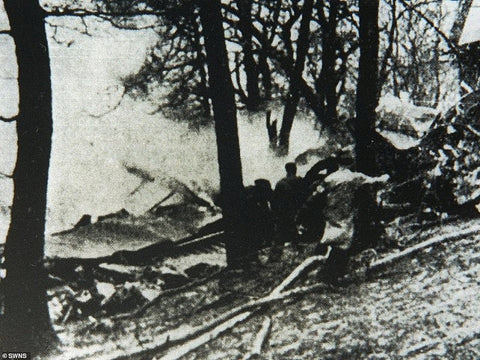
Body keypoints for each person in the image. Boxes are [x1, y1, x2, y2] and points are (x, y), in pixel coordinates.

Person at [271, 163, 304, 250]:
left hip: (284, 211)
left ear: (286, 170)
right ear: (295, 169)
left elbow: (274, 201)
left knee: (284, 232)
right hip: (298, 209)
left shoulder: (280, 183)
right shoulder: (300, 181)